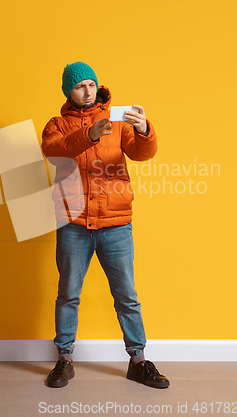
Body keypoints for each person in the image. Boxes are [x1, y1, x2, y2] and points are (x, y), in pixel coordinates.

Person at [41, 62, 169, 389]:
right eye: (80, 85)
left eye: (91, 84)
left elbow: (143, 153)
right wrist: (89, 134)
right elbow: (54, 151)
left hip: (115, 224)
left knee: (126, 294)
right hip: (74, 223)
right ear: (68, 91)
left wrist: (143, 130)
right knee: (68, 293)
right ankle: (64, 359)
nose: (87, 90)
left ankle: (138, 361)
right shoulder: (56, 124)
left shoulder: (117, 122)